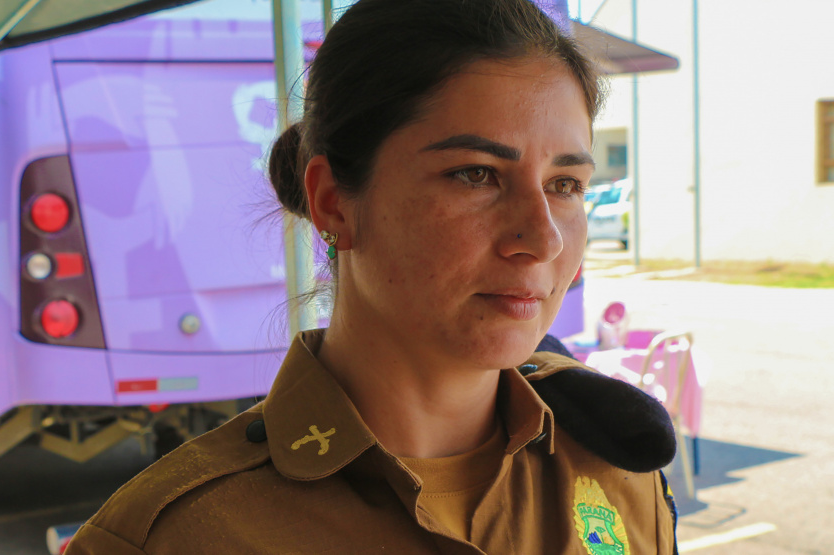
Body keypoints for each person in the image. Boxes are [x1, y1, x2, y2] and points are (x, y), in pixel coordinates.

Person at [66, 0, 678, 553]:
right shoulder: (175, 538)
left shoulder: (616, 470)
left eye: (564, 185)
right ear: (334, 203)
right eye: (477, 174)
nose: (543, 238)